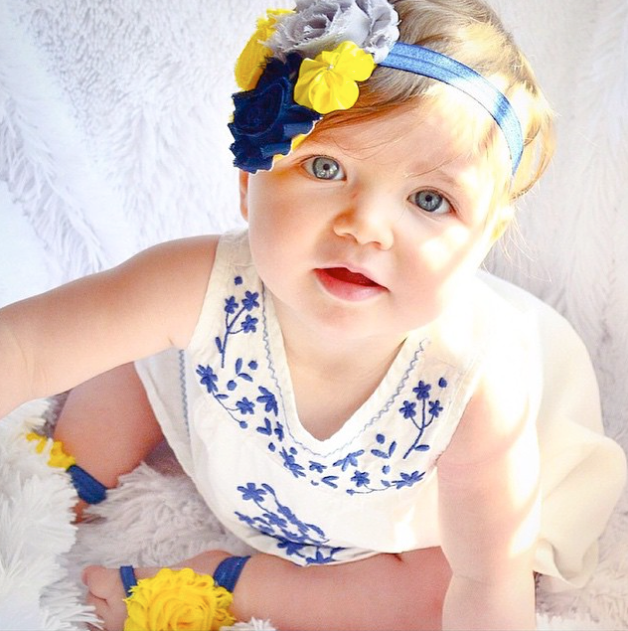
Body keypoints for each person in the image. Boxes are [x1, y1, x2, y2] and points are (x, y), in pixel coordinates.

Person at [1, 0, 625, 629]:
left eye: (430, 199)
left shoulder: (474, 386)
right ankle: (61, 476)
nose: (365, 227)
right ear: (250, 180)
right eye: (326, 167)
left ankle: (237, 586)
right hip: (239, 445)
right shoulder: (200, 284)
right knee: (130, 366)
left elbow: (489, 583)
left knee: (439, 592)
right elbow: (24, 348)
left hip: (402, 519)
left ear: (482, 241)